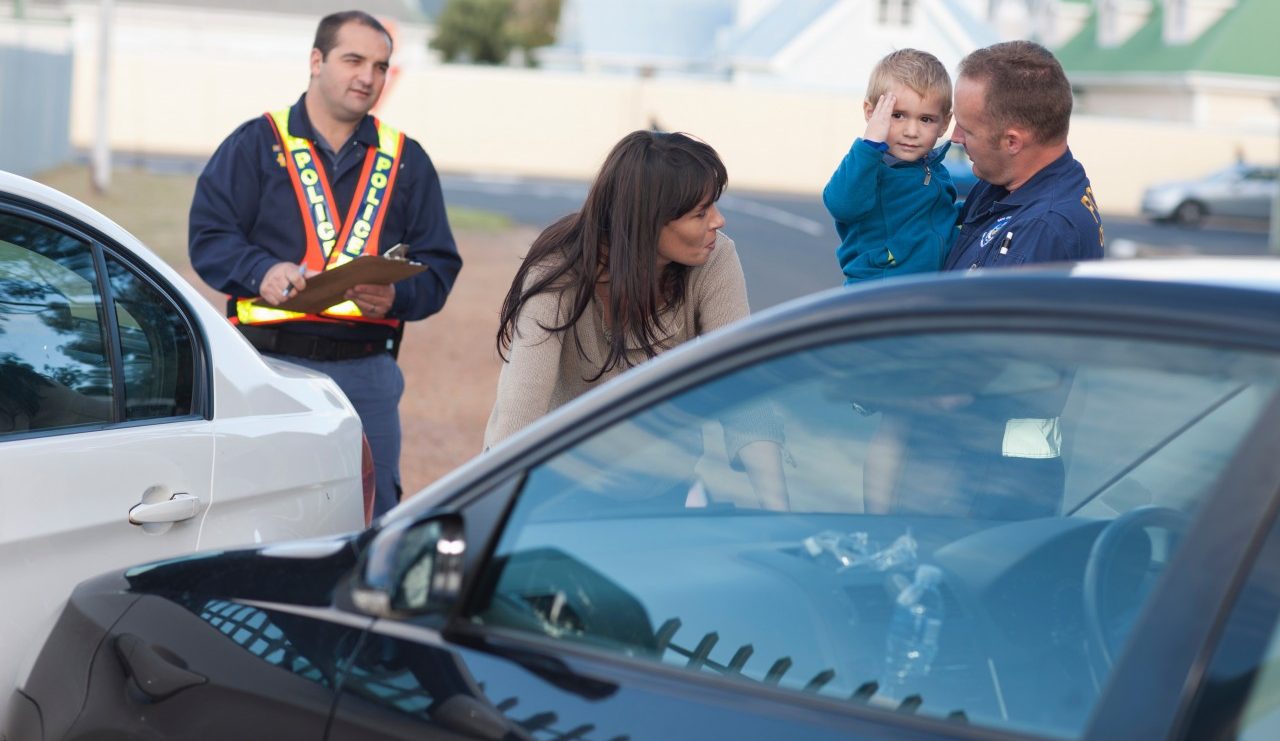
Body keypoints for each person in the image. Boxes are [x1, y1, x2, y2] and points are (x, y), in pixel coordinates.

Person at [189, 10, 462, 518]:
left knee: (368, 516)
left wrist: (397, 296)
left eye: (380, 66)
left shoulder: (407, 160)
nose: (368, 77)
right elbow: (208, 236)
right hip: (265, 368)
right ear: (316, 61)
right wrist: (261, 271)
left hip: (366, 372)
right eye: (354, 60)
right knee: (254, 508)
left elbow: (440, 265)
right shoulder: (256, 143)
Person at [485, 130, 788, 511]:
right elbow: (520, 413)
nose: (719, 221)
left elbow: (744, 385)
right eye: (700, 213)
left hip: (658, 486)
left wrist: (780, 514)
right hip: (554, 486)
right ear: (648, 222)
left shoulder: (715, 259)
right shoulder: (558, 272)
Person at [945, 40, 1104, 270]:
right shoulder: (1004, 184)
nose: (955, 138)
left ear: (1012, 142)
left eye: (966, 130)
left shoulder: (1046, 229)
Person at [823, 49, 958, 284]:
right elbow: (841, 204)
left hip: (925, 297)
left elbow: (942, 220)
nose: (911, 131)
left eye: (926, 119)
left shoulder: (935, 171)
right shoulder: (868, 170)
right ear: (871, 112)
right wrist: (870, 145)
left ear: (944, 123)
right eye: (898, 116)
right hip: (876, 295)